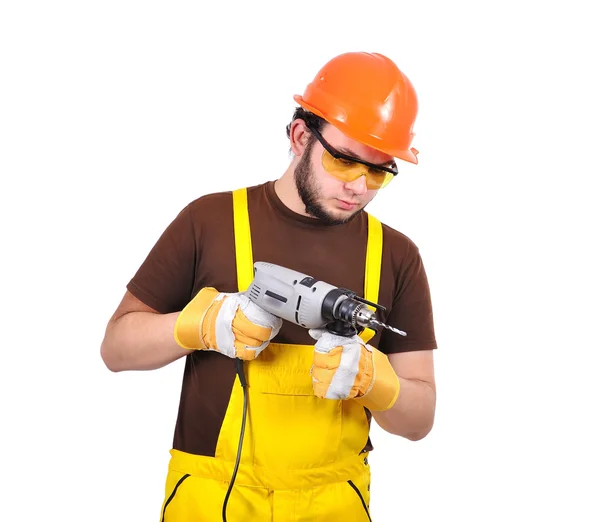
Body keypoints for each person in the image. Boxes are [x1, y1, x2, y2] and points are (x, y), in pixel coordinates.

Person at [101, 51, 437, 522]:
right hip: (213, 501)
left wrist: (375, 381)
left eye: (379, 171)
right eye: (344, 161)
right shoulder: (210, 221)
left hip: (333, 504)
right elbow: (115, 349)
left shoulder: (396, 255)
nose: (359, 187)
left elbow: (420, 420)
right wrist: (195, 328)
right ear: (301, 136)